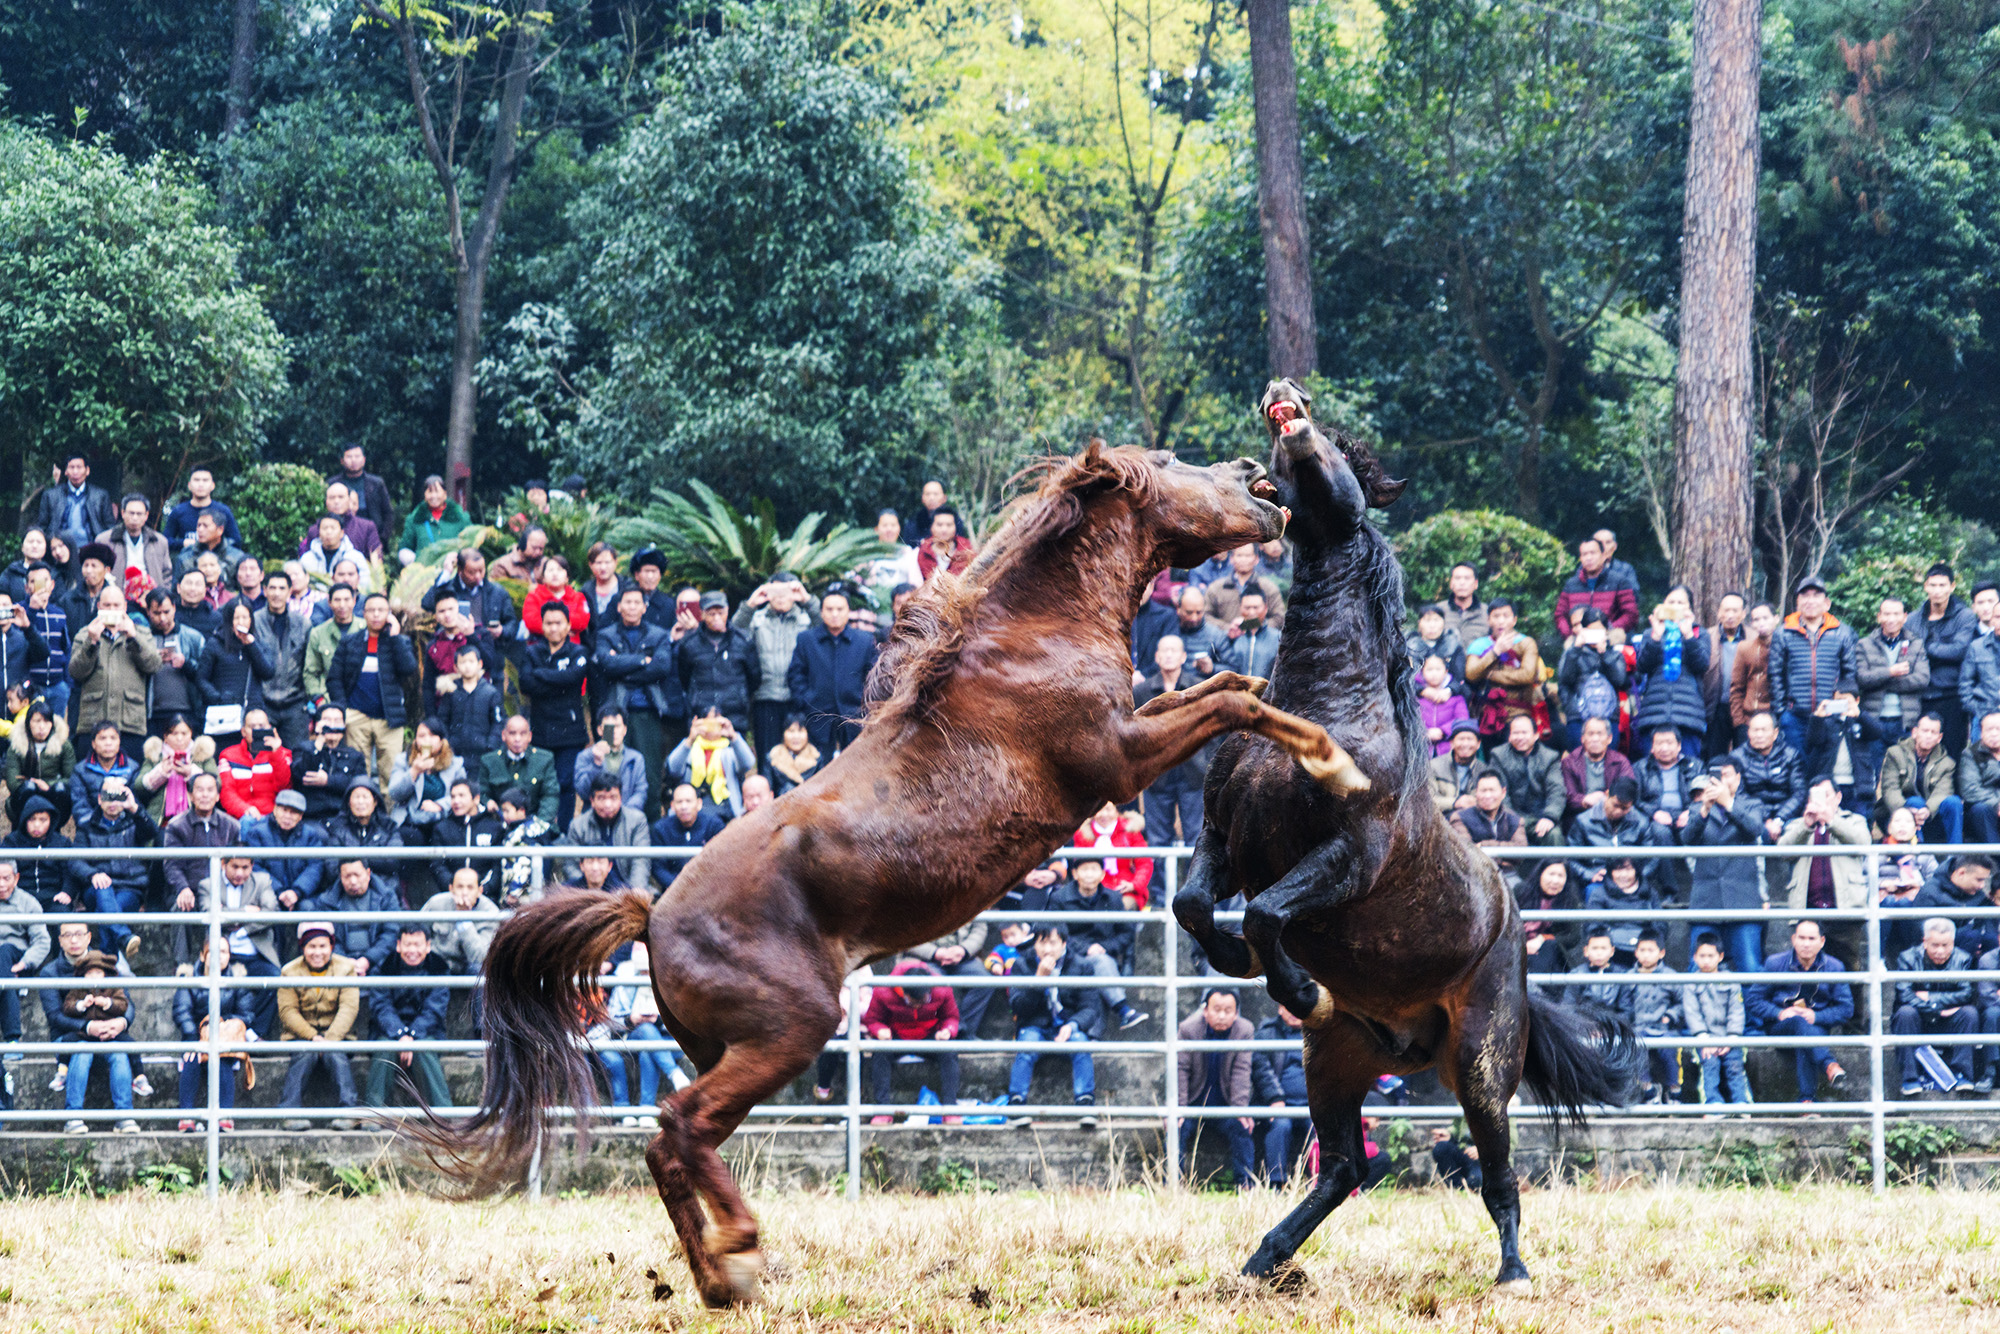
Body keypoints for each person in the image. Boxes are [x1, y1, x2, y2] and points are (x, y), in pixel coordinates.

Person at [1004, 924, 1104, 1128]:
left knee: (1081, 1044)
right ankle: (1016, 1104)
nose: (1047, 949)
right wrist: (1039, 980)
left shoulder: (1082, 966)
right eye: (1042, 943)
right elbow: (1018, 1008)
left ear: (1064, 944)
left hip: (1067, 1025)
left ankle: (1085, 1103)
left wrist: (1073, 1025)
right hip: (1034, 1026)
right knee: (1027, 1044)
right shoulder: (1022, 966)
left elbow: (1090, 1008)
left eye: (1052, 943)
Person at [1746, 920, 1854, 1104]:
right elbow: (1753, 1000)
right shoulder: (1775, 963)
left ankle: (1807, 1101)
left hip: (1816, 1027)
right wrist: (1778, 1013)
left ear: (1822, 941)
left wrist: (1817, 1016)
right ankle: (1829, 1065)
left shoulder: (1834, 967)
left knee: (1805, 1036)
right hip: (1781, 1027)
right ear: (1793, 939)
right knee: (1798, 1023)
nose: (1806, 943)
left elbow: (1846, 1009)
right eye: (1801, 938)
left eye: (1811, 938)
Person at [595, 587, 680, 814]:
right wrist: (643, 660)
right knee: (609, 770)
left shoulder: (659, 634)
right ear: (619, 606)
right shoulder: (606, 634)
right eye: (627, 602)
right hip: (613, 714)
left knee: (650, 772)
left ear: (644, 607)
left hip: (647, 712)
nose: (632, 607)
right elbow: (606, 665)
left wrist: (622, 666)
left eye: (636, 602)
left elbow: (661, 667)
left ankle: (649, 829)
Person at [1681, 757, 1767, 971]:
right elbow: (1687, 839)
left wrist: (1728, 803)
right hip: (1706, 899)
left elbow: (1755, 829)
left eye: (1727, 774)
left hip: (1743, 899)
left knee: (1750, 966)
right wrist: (1705, 809)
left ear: (1738, 778)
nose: (1721, 779)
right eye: (1717, 775)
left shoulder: (1751, 804)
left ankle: (1751, 1006)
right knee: (1697, 967)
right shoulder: (1697, 807)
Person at [276, 921, 362, 1127]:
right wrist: (312, 1037)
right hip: (302, 1035)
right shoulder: (289, 971)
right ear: (303, 948)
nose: (317, 952)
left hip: (337, 1036)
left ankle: (349, 1112)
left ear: (331, 946)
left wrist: (329, 1040)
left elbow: (349, 1008)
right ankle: (289, 1113)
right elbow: (288, 1010)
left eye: (322, 946)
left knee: (336, 1055)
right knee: (305, 1053)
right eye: (311, 946)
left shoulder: (346, 969)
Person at [1048, 854, 1148, 1030]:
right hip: (1069, 957)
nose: (1088, 875)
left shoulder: (1113, 898)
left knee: (1099, 965)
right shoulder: (1059, 898)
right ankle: (1123, 1010)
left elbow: (1126, 933)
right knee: (1099, 964)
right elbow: (1056, 933)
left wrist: (1103, 947)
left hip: (1104, 956)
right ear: (1075, 873)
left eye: (1094, 869)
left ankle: (1095, 1035)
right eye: (1084, 870)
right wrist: (1086, 949)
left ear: (1102, 875)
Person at [859, 959, 962, 1125]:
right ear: (903, 993)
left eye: (924, 1001)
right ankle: (883, 1111)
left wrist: (947, 1030)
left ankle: (950, 1109)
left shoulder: (942, 988)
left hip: (930, 1035)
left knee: (949, 1051)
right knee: (880, 1053)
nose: (917, 1007)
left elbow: (951, 1017)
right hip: (896, 1036)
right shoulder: (883, 990)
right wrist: (879, 1030)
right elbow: (872, 1019)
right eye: (913, 1003)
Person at [49, 946, 139, 1135]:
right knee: (81, 1052)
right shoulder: (78, 989)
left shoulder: (114, 987)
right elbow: (64, 1010)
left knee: (120, 1054)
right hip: (82, 1037)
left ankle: (125, 1115)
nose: (94, 977)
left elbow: (125, 1005)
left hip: (110, 1036)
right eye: (89, 973)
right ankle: (73, 1115)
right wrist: (83, 1009)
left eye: (98, 972)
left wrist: (115, 1017)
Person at [171, 935, 257, 1132]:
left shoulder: (237, 981)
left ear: (229, 956)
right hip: (194, 1034)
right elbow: (182, 1012)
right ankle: (186, 1116)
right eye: (213, 952)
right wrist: (194, 1037)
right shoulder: (190, 979)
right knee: (191, 1057)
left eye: (224, 952)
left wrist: (221, 1024)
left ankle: (224, 1116)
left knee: (222, 1058)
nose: (219, 957)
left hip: (224, 1036)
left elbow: (247, 1014)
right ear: (203, 955)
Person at [327, 594, 419, 778]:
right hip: (356, 716)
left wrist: (395, 637)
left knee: (391, 773)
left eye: (381, 610)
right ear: (363, 614)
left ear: (389, 614)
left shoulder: (399, 642)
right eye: (371, 610)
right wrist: (344, 710)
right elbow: (334, 678)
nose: (376, 615)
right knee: (358, 771)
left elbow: (409, 669)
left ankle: (390, 808)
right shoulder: (350, 641)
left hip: (389, 718)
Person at [1768, 575, 1859, 760]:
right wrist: (1781, 711)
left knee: (1824, 768)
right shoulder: (1783, 633)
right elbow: (1775, 673)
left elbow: (1850, 673)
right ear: (1798, 602)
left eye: (1816, 595)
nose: (1810, 601)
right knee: (1797, 766)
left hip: (1830, 714)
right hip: (1794, 715)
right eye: (1805, 596)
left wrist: (1842, 705)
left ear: (1826, 603)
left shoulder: (1842, 633)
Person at [517, 600, 592, 823]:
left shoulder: (578, 651)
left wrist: (541, 674)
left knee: (566, 783)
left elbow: (573, 678)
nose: (553, 628)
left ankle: (565, 833)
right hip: (541, 730)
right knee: (541, 783)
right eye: (548, 623)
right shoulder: (532, 652)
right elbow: (526, 684)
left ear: (569, 625)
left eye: (558, 623)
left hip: (570, 731)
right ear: (542, 625)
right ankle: (543, 830)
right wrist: (556, 681)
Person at [193, 853, 283, 1038]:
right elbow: (209, 912)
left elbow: (271, 911)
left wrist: (234, 922)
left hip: (255, 954)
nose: (240, 873)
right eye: (235, 867)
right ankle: (225, 1033)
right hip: (225, 955)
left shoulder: (262, 881)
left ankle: (253, 1033)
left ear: (252, 865)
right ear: (223, 864)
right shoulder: (209, 885)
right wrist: (245, 912)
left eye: (245, 867)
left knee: (274, 978)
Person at [68, 582, 160, 764]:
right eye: (107, 605)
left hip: (130, 722)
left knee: (129, 778)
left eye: (116, 605)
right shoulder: (85, 633)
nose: (111, 609)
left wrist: (133, 637)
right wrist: (91, 642)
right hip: (93, 721)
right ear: (99, 607)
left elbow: (154, 665)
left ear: (125, 607)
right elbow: (75, 672)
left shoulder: (141, 632)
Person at [68, 777, 157, 961]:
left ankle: (108, 967)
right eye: (108, 796)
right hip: (96, 887)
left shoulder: (135, 820)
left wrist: (135, 808)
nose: (113, 802)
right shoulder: (87, 825)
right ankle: (123, 938)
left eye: (118, 796)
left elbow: (153, 834)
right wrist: (93, 874)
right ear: (99, 799)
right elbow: (75, 861)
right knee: (103, 889)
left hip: (129, 887)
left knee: (106, 912)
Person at [1133, 636, 1210, 846]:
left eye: (1173, 650)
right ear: (1156, 657)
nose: (1168, 655)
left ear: (1183, 656)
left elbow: (1213, 729)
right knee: (1157, 839)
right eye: (1164, 651)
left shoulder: (1198, 688)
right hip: (1157, 772)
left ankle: (1193, 880)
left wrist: (1208, 762)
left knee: (1197, 837)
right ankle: (1158, 881)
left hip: (1193, 771)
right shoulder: (1142, 691)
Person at [364, 926, 452, 1108]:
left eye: (417, 945)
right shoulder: (383, 967)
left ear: (428, 946)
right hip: (388, 1031)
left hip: (426, 1032)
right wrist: (401, 1034)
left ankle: (445, 1117)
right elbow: (381, 1007)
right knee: (383, 1049)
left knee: (424, 1049)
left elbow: (434, 1010)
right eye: (408, 944)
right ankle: (373, 1115)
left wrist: (412, 1035)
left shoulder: (439, 968)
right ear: (398, 945)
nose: (412, 950)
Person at [786, 583, 878, 757]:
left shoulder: (864, 641)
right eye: (829, 609)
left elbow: (873, 678)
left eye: (839, 609)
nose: (834, 614)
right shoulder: (807, 640)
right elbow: (796, 675)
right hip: (817, 718)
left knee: (854, 768)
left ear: (848, 611)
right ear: (821, 612)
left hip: (854, 718)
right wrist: (807, 702)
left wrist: (865, 706)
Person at [1176, 988, 1257, 1188]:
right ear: (1205, 1011)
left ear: (1236, 1013)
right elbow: (1180, 1069)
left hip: (1226, 1104)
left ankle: (1246, 1186)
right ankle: (1173, 1184)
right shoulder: (1188, 1029)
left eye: (1228, 1010)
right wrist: (1179, 1107)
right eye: (1216, 1009)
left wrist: (1240, 1108)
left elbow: (1242, 1070)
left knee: (1242, 1126)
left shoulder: (1244, 1030)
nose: (1222, 1015)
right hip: (1193, 1103)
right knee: (1176, 1128)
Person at [731, 573, 815, 759]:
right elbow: (734, 634)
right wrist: (750, 605)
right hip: (765, 696)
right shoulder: (757, 620)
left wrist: (807, 600)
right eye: (775, 591)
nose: (780, 597)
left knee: (800, 757)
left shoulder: (805, 620)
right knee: (767, 756)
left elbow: (826, 627)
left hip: (797, 698)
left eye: (786, 590)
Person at [599, 941, 688, 1117]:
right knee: (647, 1032)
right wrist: (631, 1020)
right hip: (632, 1037)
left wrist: (659, 1021)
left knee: (650, 1048)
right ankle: (673, 1076)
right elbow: (611, 1020)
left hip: (668, 1039)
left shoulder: (668, 979)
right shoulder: (624, 979)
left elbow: (683, 1019)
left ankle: (646, 1110)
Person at [1893, 918, 1977, 1095]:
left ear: (1952, 943)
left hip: (1948, 1022)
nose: (1940, 951)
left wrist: (1930, 997)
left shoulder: (1963, 959)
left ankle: (1963, 1074)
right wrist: (1937, 1008)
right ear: (1924, 942)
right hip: (1919, 1021)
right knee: (1905, 1012)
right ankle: (1910, 1078)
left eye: (1945, 945)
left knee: (1969, 1013)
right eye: (1935, 945)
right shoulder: (1907, 958)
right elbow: (1904, 994)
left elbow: (1967, 993)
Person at [1631, 586, 1711, 759]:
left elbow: (1702, 665)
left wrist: (1688, 635)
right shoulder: (1650, 633)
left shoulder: (1699, 633)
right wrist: (1655, 636)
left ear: (1689, 609)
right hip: (1655, 710)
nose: (1675, 606)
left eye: (1680, 603)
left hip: (1687, 712)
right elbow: (1642, 666)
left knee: (1688, 768)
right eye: (1671, 602)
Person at [1916, 563, 1980, 755]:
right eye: (1933, 585)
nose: (1937, 591)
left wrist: (1927, 648)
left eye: (1942, 585)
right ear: (1925, 586)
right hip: (1921, 695)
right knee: (1920, 750)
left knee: (1953, 752)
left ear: (1952, 587)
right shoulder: (1914, 618)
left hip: (1952, 696)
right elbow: (1911, 654)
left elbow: (1960, 651)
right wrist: (1939, 651)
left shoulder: (1965, 616)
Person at [676, 591, 759, 737]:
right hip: (701, 716)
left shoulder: (743, 641)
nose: (716, 618)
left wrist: (739, 696)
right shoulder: (689, 644)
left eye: (720, 613)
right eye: (711, 613)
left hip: (735, 716)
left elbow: (754, 677)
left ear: (727, 611)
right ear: (701, 614)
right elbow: (684, 677)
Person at [1684, 933, 1750, 1107]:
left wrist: (1731, 1037)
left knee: (1735, 1065)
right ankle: (1712, 1103)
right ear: (1694, 957)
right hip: (1704, 1039)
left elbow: (1736, 1010)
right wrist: (1704, 1038)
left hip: (1729, 1037)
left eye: (1711, 956)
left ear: (1720, 957)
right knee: (1709, 1064)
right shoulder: (1690, 982)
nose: (1706, 960)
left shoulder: (1731, 980)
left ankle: (1742, 1102)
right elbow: (1692, 1013)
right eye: (1702, 956)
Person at [197, 597, 274, 747]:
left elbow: (268, 672)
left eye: (245, 617)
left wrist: (251, 645)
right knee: (227, 753)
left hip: (252, 712)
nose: (241, 622)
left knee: (257, 753)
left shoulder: (258, 643)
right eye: (236, 618)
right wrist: (217, 697)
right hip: (225, 712)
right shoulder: (215, 644)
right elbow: (201, 678)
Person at [1876, 711, 1961, 844]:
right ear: (1915, 732)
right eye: (1925, 731)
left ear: (1939, 738)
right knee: (1915, 801)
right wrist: (1905, 811)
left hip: (1929, 816)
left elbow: (1943, 791)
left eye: (1933, 733)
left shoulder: (1947, 763)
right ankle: (1917, 852)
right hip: (1897, 813)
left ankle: (1956, 855)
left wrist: (1927, 810)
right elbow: (1890, 789)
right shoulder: (1895, 754)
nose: (1928, 736)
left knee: (1954, 802)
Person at [253, 569, 314, 752]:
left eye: (282, 588)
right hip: (263, 703)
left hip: (295, 702)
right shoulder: (254, 622)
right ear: (264, 590)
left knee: (297, 757)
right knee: (261, 755)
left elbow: (309, 664)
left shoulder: (303, 624)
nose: (276, 593)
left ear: (289, 592)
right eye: (272, 588)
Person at [1464, 598, 1541, 742]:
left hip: (1518, 711)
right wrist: (1495, 652)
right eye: (1496, 616)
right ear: (1488, 620)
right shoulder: (1479, 645)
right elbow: (1471, 674)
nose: (1501, 621)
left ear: (1514, 620)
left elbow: (1527, 675)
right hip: (1486, 712)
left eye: (1506, 616)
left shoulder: (1526, 643)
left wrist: (1491, 674)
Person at [1555, 607, 1628, 751]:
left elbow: (1620, 680)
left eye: (1599, 631)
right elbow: (1565, 679)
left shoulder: (1614, 654)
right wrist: (1575, 650)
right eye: (1590, 630)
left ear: (1606, 631)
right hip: (1578, 717)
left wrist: (1605, 654)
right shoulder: (1572, 652)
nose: (1594, 635)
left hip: (1608, 717)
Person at [1486, 714, 1563, 844]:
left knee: (1554, 834)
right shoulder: (1498, 755)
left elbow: (1556, 790)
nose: (1520, 737)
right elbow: (1500, 792)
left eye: (1524, 733)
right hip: (1509, 817)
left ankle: (1556, 865)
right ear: (1509, 736)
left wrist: (1549, 817)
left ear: (1536, 735)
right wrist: (1513, 820)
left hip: (1541, 817)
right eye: (1515, 733)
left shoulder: (1550, 757)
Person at [565, 773, 651, 889]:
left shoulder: (637, 820)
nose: (607, 804)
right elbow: (572, 865)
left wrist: (634, 893)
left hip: (626, 888)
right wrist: (587, 890)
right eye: (601, 798)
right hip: (589, 889)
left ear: (621, 798)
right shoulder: (578, 825)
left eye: (613, 797)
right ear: (592, 800)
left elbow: (641, 861)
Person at [667, 710, 757, 820]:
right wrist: (690, 739)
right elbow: (673, 768)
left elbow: (748, 763)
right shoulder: (690, 750)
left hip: (724, 809)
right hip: (693, 810)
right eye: (708, 724)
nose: (711, 729)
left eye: (716, 724)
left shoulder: (728, 752)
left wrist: (733, 735)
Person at [1733, 710, 1807, 839]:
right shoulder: (1737, 758)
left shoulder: (1790, 755)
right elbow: (1740, 795)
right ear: (1748, 733)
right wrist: (1766, 819)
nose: (1759, 735)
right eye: (1755, 730)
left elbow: (1799, 793)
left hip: (1787, 817)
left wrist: (1779, 819)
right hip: (1753, 817)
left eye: (1764, 730)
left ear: (1775, 733)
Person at [142, 588, 206, 738]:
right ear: (148, 612)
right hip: (152, 713)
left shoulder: (192, 637)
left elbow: (205, 674)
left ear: (174, 608)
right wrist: (150, 658)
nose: (162, 618)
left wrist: (186, 664)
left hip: (186, 711)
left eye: (166, 612)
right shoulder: (142, 638)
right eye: (157, 613)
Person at [1627, 929, 1681, 1102]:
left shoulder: (1671, 976)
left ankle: (1674, 1090)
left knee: (1670, 1050)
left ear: (1661, 953)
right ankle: (1648, 1090)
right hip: (1639, 1027)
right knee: (1634, 1048)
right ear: (1636, 953)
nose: (1646, 955)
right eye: (1642, 950)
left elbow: (1682, 1003)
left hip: (1663, 1028)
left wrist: (1671, 1016)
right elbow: (1625, 1005)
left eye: (1651, 951)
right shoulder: (1629, 977)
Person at [385, 718, 464, 834]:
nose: (427, 740)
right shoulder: (403, 760)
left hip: (443, 819)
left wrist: (439, 805)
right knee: (410, 836)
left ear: (441, 740)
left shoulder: (455, 764)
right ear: (415, 741)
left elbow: (463, 795)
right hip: (411, 820)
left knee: (443, 832)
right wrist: (414, 771)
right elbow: (394, 794)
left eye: (432, 736)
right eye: (421, 736)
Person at [293, 706, 367, 828]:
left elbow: (359, 784)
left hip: (344, 819)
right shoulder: (304, 749)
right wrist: (319, 741)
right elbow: (301, 774)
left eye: (337, 721)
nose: (332, 725)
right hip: (311, 818)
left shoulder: (355, 756)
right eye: (327, 720)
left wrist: (328, 780)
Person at [480, 714, 561, 826]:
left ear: (530, 736)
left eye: (523, 734)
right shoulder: (489, 761)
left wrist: (539, 824)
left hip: (536, 823)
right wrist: (488, 803)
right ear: (503, 735)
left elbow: (550, 795)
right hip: (500, 824)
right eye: (512, 733)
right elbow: (482, 793)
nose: (517, 739)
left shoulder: (544, 759)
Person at [421, 866, 502, 976]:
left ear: (480, 891)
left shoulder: (491, 913)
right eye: (459, 887)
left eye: (470, 887)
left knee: (480, 971)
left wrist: (464, 919)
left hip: (468, 967)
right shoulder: (436, 903)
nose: (464, 892)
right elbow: (418, 932)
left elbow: (479, 957)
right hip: (438, 963)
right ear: (451, 889)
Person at [432, 641, 504, 764]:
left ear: (480, 664)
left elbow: (498, 722)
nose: (467, 666)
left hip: (483, 753)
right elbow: (442, 720)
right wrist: (448, 742)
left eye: (471, 662)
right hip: (456, 753)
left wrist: (490, 744)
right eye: (463, 662)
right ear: (456, 667)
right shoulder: (451, 691)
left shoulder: (490, 692)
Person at [4, 701, 74, 827]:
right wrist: (34, 786)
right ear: (28, 723)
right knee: (28, 788)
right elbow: (12, 781)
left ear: (52, 724)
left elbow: (71, 778)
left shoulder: (64, 745)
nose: (42, 727)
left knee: (61, 789)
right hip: (26, 794)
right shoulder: (16, 746)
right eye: (36, 721)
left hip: (52, 794)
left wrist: (47, 786)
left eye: (46, 721)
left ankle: (54, 830)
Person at [1554, 536, 1638, 641]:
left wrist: (1608, 629)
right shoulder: (1571, 584)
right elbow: (1560, 615)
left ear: (1603, 556)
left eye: (1593, 553)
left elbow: (1631, 614)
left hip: (1609, 637)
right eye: (1584, 554)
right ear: (1580, 558)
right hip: (1578, 638)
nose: (1589, 558)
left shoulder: (1619, 581)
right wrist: (1570, 634)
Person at [1560, 716, 1635, 827]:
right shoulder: (1569, 762)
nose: (1595, 739)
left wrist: (1608, 800)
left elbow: (1628, 789)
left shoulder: (1620, 761)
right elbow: (1567, 795)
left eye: (1600, 734)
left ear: (1609, 738)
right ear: (1582, 739)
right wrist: (1584, 800)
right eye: (1590, 734)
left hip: (1613, 812)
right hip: (1581, 814)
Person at [3, 794, 73, 912]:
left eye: (43, 820)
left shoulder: (61, 842)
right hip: (20, 895)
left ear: (51, 821)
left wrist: (67, 892)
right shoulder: (12, 841)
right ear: (25, 820)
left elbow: (70, 871)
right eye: (32, 819)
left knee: (62, 912)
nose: (36, 825)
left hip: (53, 896)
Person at [218, 708, 292, 819]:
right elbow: (226, 793)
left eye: (261, 727)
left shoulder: (283, 754)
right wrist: (245, 809)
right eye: (252, 727)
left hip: (272, 817)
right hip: (241, 817)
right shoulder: (228, 755)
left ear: (270, 729)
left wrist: (276, 753)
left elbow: (284, 788)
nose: (257, 731)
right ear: (243, 731)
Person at [35, 455, 118, 552]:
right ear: (66, 471)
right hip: (59, 550)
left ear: (87, 471)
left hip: (92, 548)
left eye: (79, 467)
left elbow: (109, 527)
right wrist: (52, 541)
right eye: (71, 467)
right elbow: (42, 526)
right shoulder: (50, 495)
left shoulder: (100, 496)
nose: (75, 471)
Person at [93, 492, 173, 594]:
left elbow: (167, 574)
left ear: (146, 515)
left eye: (139, 514)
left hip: (151, 598)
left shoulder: (159, 541)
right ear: (123, 513)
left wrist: (162, 594)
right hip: (116, 596)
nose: (135, 518)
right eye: (131, 513)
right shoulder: (104, 540)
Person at [574, 706, 648, 814]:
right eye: (609, 727)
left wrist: (622, 813)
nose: (613, 732)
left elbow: (641, 792)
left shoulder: (635, 758)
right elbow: (583, 792)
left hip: (627, 818)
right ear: (599, 730)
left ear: (625, 730)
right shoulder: (586, 756)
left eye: (617, 726)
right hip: (595, 817)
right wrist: (596, 764)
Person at [421, 548, 516, 631]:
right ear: (460, 571)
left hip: (488, 645)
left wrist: (501, 631)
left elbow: (512, 623)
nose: (478, 576)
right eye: (472, 572)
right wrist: (446, 572)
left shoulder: (497, 592)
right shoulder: (448, 589)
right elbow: (427, 604)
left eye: (481, 570)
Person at [653, 783, 725, 891]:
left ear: (699, 803)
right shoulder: (661, 829)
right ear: (672, 806)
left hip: (708, 890)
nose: (684, 807)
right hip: (673, 890)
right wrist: (679, 886)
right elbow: (658, 867)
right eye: (679, 802)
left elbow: (721, 863)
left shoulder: (714, 825)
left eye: (688, 801)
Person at [1703, 592, 1750, 757]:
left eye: (1735, 611)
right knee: (1714, 757)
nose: (1730, 615)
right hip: (1716, 707)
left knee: (1744, 755)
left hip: (1745, 708)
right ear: (1719, 613)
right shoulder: (1707, 637)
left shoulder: (1753, 637)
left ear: (1743, 614)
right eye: (1726, 610)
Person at [1635, 726, 1704, 834]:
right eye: (1659, 743)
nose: (1664, 748)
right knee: (1659, 831)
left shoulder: (1695, 765)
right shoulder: (1641, 768)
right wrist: (1654, 813)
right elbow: (1635, 800)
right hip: (1656, 817)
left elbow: (1704, 796)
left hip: (1686, 814)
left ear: (1679, 746)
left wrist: (1691, 812)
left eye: (1669, 743)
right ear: (1652, 747)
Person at [1202, 543, 1285, 629]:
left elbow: (1279, 618)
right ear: (1231, 559)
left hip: (1261, 639)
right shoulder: (1216, 588)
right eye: (1239, 555)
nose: (1243, 560)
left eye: (1248, 556)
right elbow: (1205, 616)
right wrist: (1228, 628)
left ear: (1256, 559)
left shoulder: (1268, 587)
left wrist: (1249, 626)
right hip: (1226, 638)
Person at [1728, 602, 1777, 743]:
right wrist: (1739, 723)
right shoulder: (1745, 648)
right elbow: (1736, 688)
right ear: (1752, 623)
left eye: (1765, 618)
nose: (1761, 623)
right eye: (1756, 619)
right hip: (1749, 719)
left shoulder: (1786, 645)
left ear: (1776, 618)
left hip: (1775, 717)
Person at [163, 466, 241, 549]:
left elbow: (236, 541)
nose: (201, 484)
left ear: (212, 485)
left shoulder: (223, 511)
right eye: (196, 480)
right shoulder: (178, 512)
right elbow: (165, 541)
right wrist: (183, 543)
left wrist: (213, 544)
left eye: (205, 480)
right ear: (189, 485)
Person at [1564, 928, 1633, 1018]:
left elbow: (1626, 1010)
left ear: (1612, 951)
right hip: (1584, 1025)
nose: (1599, 953)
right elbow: (1569, 1006)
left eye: (1603, 948)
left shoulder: (1622, 975)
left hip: (1613, 1026)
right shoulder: (1577, 974)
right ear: (1586, 951)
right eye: (1594, 948)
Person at [400, 475, 470, 561]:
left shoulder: (461, 517)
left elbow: (470, 544)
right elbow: (405, 547)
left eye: (437, 491)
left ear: (445, 494)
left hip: (453, 569)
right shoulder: (415, 519)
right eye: (430, 492)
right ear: (425, 495)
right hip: (424, 571)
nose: (433, 496)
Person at [1958, 710, 2000, 844]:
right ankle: (1996, 858)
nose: (1994, 734)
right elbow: (1970, 789)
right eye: (1989, 730)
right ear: (1981, 733)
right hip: (1987, 810)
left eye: (1998, 729)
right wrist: (1997, 804)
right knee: (1980, 809)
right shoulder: (1970, 754)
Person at [1217, 590, 1281, 678]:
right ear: (1240, 608)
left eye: (1256, 607)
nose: (1251, 612)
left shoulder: (1277, 637)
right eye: (1247, 608)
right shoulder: (1232, 635)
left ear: (1265, 609)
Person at [1417, 655, 1469, 754]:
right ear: (1422, 672)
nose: (1434, 674)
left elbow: (1462, 719)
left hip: (1448, 746)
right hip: (1421, 746)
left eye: (1438, 669)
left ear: (1446, 671)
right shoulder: (1417, 697)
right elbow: (1410, 719)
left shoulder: (1455, 697)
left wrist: (1443, 731)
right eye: (1429, 670)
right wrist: (1424, 733)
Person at [1429, 719, 1483, 811]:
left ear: (1478, 744)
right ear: (1452, 743)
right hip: (1441, 818)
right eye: (1461, 739)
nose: (1465, 744)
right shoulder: (1434, 766)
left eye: (1470, 739)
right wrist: (1455, 802)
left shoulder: (1483, 770)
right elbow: (1428, 800)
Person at [863, 509, 923, 589]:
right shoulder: (868, 552)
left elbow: (916, 585)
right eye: (884, 525)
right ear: (876, 529)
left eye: (893, 525)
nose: (889, 529)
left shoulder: (908, 552)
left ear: (899, 528)